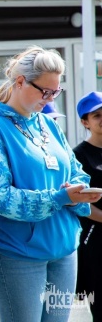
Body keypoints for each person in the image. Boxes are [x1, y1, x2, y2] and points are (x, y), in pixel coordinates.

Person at [0, 46, 101, 322]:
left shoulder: (48, 124)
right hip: (17, 252)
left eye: (56, 92)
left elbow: (75, 169)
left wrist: (79, 191)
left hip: (64, 249)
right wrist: (60, 198)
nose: (50, 99)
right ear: (20, 82)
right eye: (45, 92)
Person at [73, 91, 102, 321]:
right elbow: (77, 201)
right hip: (95, 241)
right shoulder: (78, 156)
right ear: (85, 122)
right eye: (97, 115)